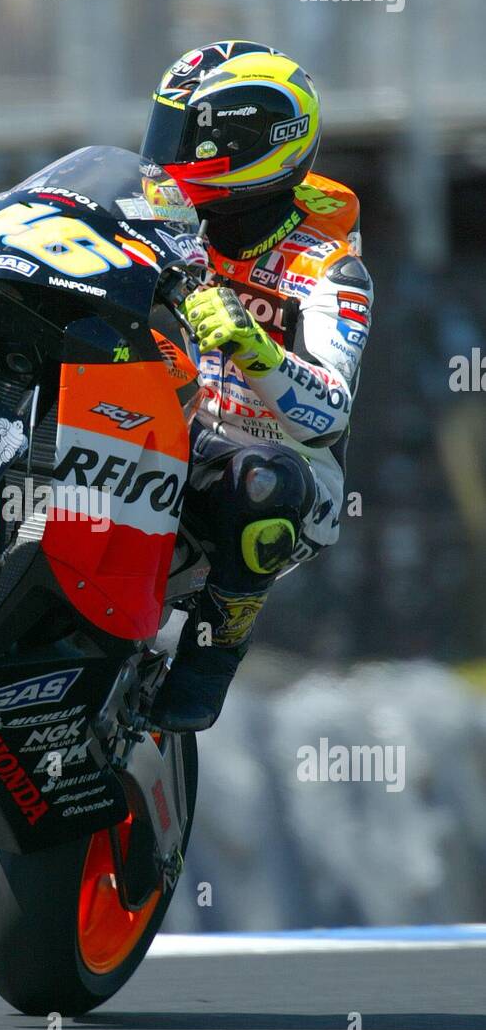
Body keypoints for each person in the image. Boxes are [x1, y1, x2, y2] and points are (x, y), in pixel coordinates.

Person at [141, 41, 373, 731]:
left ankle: (214, 651)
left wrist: (249, 341)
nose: (171, 154)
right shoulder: (177, 221)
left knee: (263, 485)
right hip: (187, 430)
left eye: (192, 136)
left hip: (283, 472)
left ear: (248, 143)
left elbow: (328, 414)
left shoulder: (329, 270)